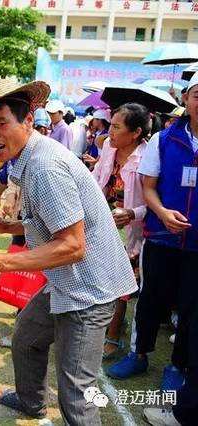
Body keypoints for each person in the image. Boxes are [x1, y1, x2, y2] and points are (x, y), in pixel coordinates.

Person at [0, 78, 137, 424]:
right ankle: (30, 401)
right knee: (26, 337)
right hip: (66, 282)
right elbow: (57, 224)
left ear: (28, 120)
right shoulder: (31, 156)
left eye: (1, 123)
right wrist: (10, 227)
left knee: (76, 393)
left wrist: (1, 260)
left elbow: (72, 245)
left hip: (89, 290)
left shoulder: (45, 166)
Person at [107, 73, 198, 395]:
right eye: (197, 94)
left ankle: (178, 364)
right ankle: (139, 354)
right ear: (186, 99)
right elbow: (148, 186)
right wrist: (161, 213)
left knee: (190, 307)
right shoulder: (165, 139)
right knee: (149, 300)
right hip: (160, 236)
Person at [91, 103, 148, 360]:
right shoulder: (107, 148)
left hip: (133, 227)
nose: (109, 132)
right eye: (110, 125)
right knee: (99, 277)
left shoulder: (148, 157)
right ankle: (100, 328)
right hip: (104, 221)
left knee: (121, 284)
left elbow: (156, 199)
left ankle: (113, 337)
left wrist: (132, 213)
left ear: (135, 133)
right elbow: (97, 179)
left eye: (116, 127)